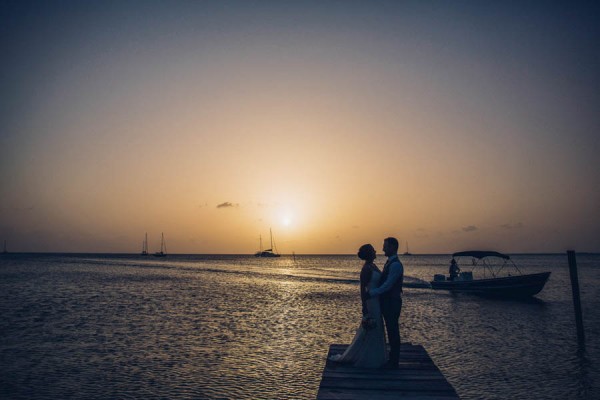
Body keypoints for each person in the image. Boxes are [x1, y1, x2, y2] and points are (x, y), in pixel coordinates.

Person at [329, 244, 387, 368]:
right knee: (371, 327)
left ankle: (376, 355)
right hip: (370, 301)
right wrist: (364, 306)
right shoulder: (366, 268)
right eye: (373, 250)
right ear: (369, 253)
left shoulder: (373, 265)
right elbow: (362, 288)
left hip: (376, 300)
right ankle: (367, 357)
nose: (375, 251)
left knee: (377, 327)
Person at [368, 237, 404, 369]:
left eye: (386, 246)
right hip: (387, 302)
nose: (383, 248)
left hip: (392, 302)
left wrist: (372, 293)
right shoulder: (389, 263)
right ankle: (392, 358)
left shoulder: (395, 265)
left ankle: (394, 361)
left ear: (393, 247)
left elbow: (388, 285)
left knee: (393, 330)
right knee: (390, 329)